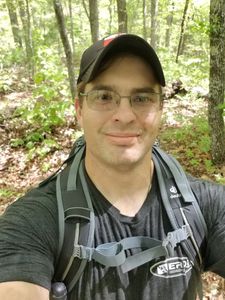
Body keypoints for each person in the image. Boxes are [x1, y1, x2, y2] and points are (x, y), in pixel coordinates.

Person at [0, 33, 225, 300]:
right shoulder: (35, 221)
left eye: (142, 98)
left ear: (161, 108)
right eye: (104, 96)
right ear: (79, 109)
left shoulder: (202, 206)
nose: (125, 115)